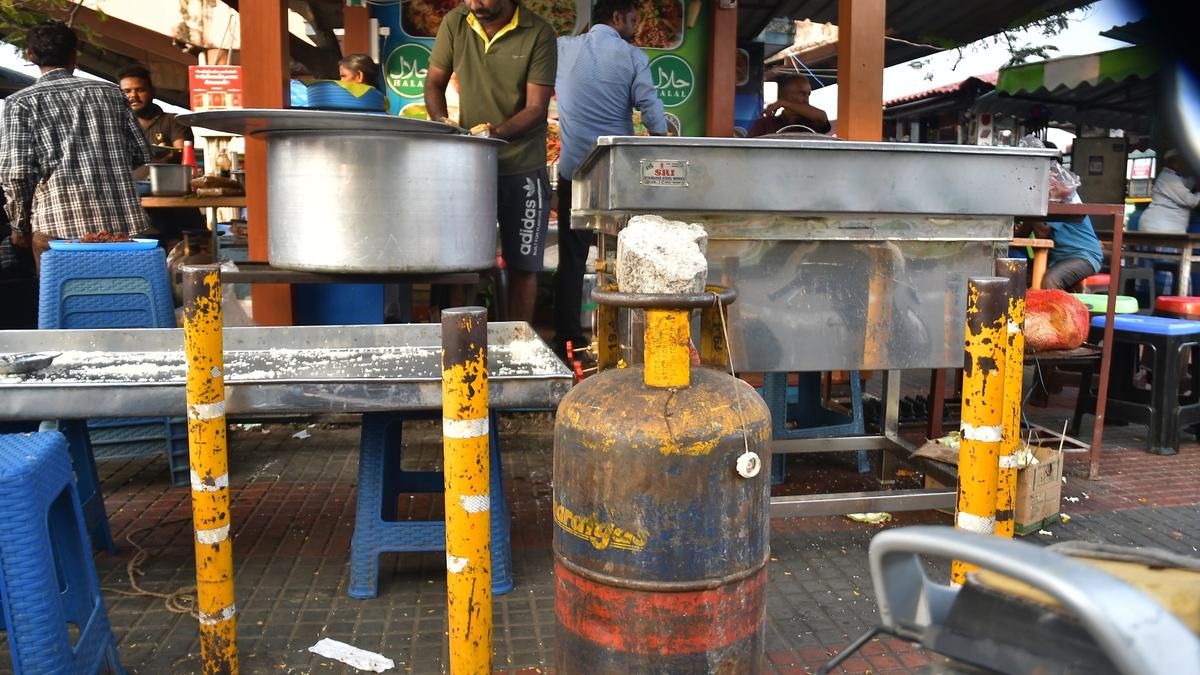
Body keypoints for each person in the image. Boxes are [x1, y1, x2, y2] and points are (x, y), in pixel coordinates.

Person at [424, 0, 557, 324]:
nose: (473, 3)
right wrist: (443, 124)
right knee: (464, 263)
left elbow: (536, 108)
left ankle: (518, 344)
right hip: (471, 168)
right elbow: (434, 83)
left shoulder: (538, 32)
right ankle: (464, 344)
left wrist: (492, 135)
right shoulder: (456, 22)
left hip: (522, 164)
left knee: (524, 266)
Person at [552, 0, 666, 358]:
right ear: (617, 18)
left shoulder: (561, 48)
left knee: (571, 260)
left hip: (575, 173)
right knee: (624, 256)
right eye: (633, 19)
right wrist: (663, 140)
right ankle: (625, 340)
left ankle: (568, 342)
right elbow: (650, 112)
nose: (635, 27)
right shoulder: (633, 57)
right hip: (617, 176)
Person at [0, 21, 149, 273]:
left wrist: (19, 227)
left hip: (55, 230)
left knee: (63, 305)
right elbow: (140, 154)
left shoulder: (20, 102)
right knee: (119, 298)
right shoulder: (111, 93)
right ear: (74, 54)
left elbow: (16, 175)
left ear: (30, 55)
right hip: (119, 226)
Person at [118, 63, 205, 249]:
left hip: (177, 209)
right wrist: (160, 156)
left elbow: (182, 152)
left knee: (187, 257)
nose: (133, 95)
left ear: (152, 91)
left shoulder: (174, 121)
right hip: (139, 212)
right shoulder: (118, 127)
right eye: (126, 91)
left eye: (139, 89)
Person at [1014, 142, 1103, 291]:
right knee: (1018, 270)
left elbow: (1043, 232)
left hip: (1083, 256)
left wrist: (1034, 204)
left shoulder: (1062, 193)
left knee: (1051, 280)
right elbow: (1022, 234)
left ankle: (1057, 314)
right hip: (1058, 258)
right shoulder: (1040, 196)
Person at [748, 74, 830, 137]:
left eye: (808, 94)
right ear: (785, 95)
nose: (806, 99)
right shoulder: (765, 124)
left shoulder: (812, 122)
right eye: (802, 94)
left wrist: (782, 103)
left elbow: (821, 117)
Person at [1139, 149, 1200, 234]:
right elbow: (1192, 201)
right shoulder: (1169, 179)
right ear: (1174, 163)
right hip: (1161, 228)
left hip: (1163, 227)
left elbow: (1188, 183)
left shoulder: (1174, 177)